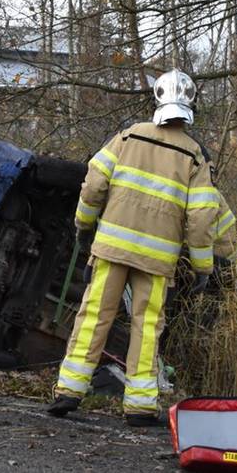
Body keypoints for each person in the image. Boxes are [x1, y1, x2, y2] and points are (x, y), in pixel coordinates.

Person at [48, 69, 219, 427]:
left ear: (156, 99)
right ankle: (140, 406)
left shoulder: (127, 137)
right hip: (157, 259)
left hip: (112, 249)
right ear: (191, 105)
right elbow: (203, 218)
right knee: (147, 326)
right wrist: (203, 267)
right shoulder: (194, 156)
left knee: (94, 316)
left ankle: (68, 391)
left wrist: (83, 226)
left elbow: (93, 184)